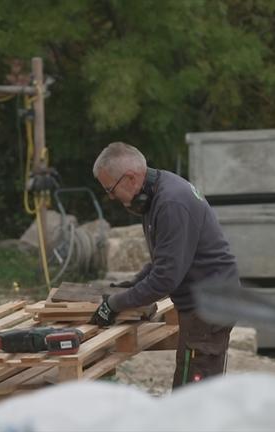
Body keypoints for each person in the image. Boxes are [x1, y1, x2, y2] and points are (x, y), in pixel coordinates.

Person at [90, 141, 240, 388]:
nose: (111, 197)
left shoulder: (171, 203)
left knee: (191, 395)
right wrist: (133, 284)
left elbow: (165, 279)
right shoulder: (157, 194)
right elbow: (165, 259)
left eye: (110, 189)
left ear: (129, 178)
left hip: (209, 308)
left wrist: (114, 304)